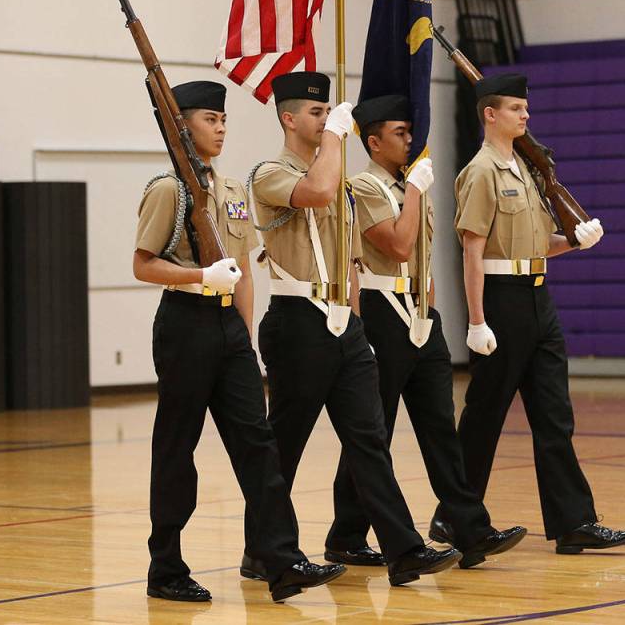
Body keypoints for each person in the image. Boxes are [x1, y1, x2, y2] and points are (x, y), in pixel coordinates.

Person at [239, 72, 459, 587]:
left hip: (343, 323)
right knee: (284, 446)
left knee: (369, 439)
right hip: (297, 323)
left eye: (327, 114)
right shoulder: (269, 173)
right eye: (315, 114)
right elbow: (314, 192)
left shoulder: (338, 178)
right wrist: (336, 135)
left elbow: (352, 261)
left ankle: (403, 550)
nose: (325, 120)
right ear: (289, 119)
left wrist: (355, 325)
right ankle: (263, 551)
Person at [133, 80, 345, 603]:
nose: (221, 127)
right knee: (177, 450)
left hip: (229, 330)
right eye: (210, 119)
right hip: (185, 324)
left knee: (260, 447)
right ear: (181, 125)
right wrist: (199, 277)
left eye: (224, 119)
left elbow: (246, 271)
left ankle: (281, 559)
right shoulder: (168, 189)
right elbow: (143, 265)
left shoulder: (229, 191)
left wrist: (244, 342)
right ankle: (166, 568)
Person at [323, 94, 527, 569]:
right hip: (381, 312)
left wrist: (429, 312)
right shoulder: (364, 186)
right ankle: (348, 533)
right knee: (375, 431)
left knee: (441, 430)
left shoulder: (413, 184)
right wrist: (413, 191)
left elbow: (424, 257)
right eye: (399, 133)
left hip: (419, 315)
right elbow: (396, 245)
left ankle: (469, 528)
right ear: (373, 142)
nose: (411, 140)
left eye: (411, 132)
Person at [440, 73, 625, 554]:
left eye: (525, 108)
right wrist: (476, 320)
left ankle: (574, 521)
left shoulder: (527, 172)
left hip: (537, 297)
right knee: (484, 417)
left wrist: (575, 240)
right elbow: (472, 251)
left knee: (554, 414)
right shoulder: (481, 172)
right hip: (501, 301)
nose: (525, 116)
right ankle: (454, 520)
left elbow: (536, 248)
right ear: (490, 114)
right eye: (514, 108)